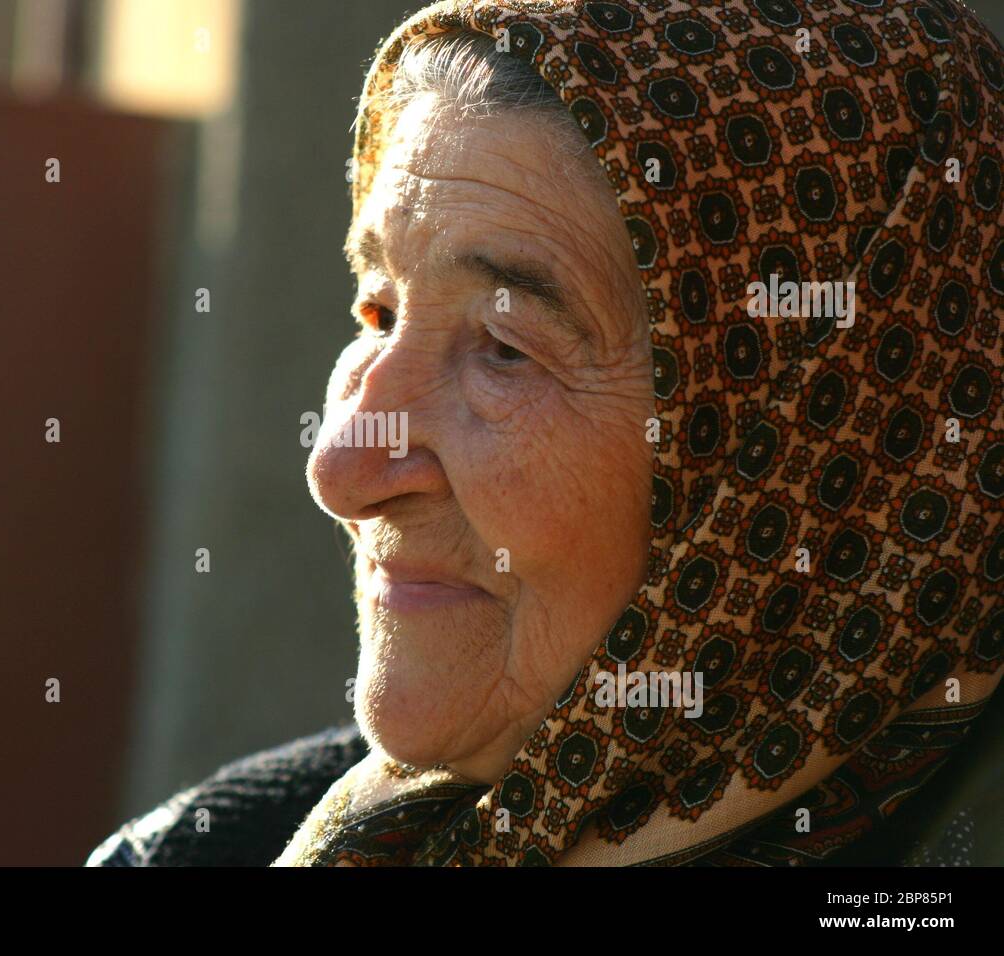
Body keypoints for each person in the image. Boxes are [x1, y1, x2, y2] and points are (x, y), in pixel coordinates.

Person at [89, 0, 1004, 866]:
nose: (341, 469)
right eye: (377, 313)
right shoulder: (206, 849)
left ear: (823, 444)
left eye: (505, 348)